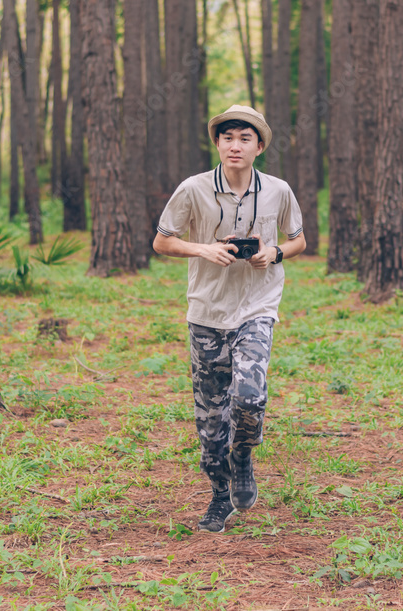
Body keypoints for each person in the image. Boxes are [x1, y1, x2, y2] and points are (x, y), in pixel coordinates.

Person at [152, 105, 307, 533]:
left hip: (257, 308)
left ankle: (243, 457)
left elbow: (298, 240)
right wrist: (205, 249)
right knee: (211, 417)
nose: (234, 146)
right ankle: (220, 494)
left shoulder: (278, 191)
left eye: (244, 138)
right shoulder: (194, 189)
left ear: (259, 146)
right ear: (217, 144)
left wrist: (273, 253)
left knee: (251, 397)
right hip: (206, 312)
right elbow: (162, 242)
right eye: (227, 138)